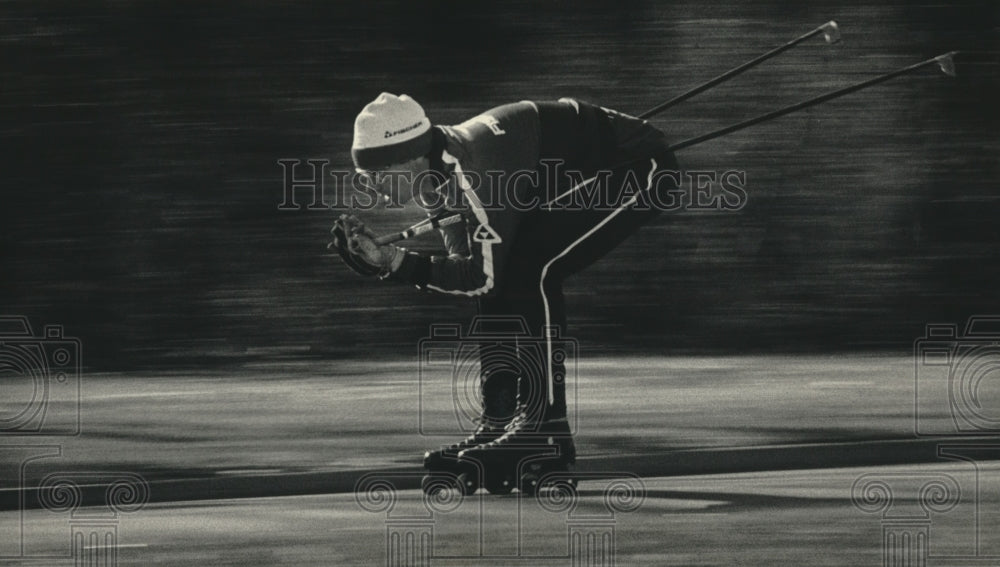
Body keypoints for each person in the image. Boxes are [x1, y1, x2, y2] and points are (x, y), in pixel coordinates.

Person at [332, 92, 679, 492]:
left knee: (533, 269)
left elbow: (480, 276)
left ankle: (545, 427)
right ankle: (499, 422)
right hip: (578, 164)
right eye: (364, 177)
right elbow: (471, 268)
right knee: (505, 268)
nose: (371, 186)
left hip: (642, 166)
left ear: (407, 156)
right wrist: (391, 264)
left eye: (375, 174)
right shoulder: (434, 178)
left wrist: (395, 263)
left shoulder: (472, 173)